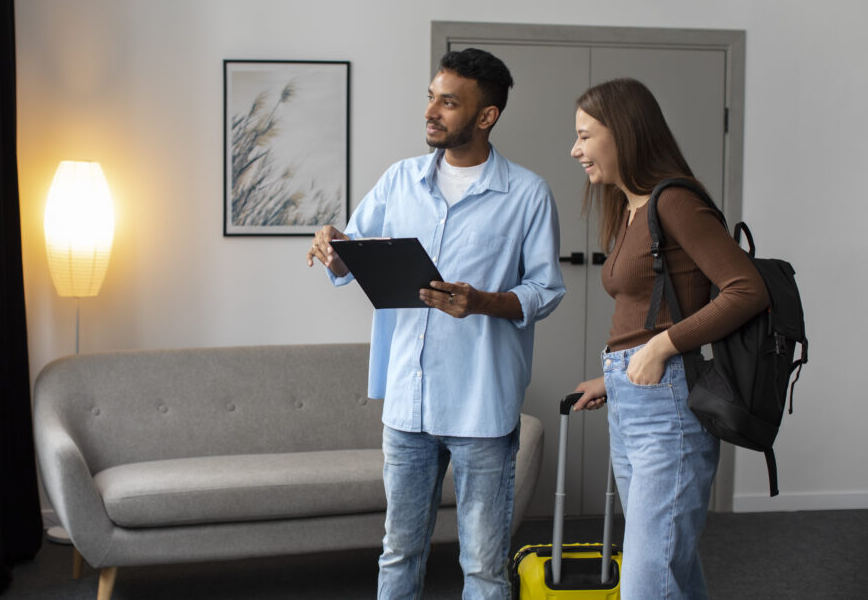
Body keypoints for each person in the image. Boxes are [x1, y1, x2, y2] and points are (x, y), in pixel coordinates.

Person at [305, 47, 565, 599]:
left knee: (484, 567)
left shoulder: (527, 194)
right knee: (399, 555)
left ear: (486, 116)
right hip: (408, 402)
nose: (432, 111)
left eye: (449, 102)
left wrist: (484, 302)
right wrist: (334, 244)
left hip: (482, 406)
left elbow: (546, 291)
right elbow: (353, 252)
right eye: (431, 97)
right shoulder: (399, 180)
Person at [569, 78, 769, 599]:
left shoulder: (674, 200)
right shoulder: (632, 208)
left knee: (647, 580)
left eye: (586, 136)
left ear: (625, 133)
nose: (576, 150)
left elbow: (747, 289)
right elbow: (643, 312)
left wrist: (660, 348)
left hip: (669, 412)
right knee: (667, 570)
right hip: (633, 401)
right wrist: (613, 375)